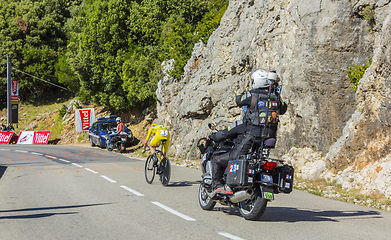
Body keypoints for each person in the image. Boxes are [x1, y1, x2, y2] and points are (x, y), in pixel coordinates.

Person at [211, 69, 287, 195]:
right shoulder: (276, 97)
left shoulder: (253, 95)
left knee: (232, 158)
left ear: (255, 82)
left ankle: (221, 186)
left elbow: (238, 100)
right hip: (269, 138)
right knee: (255, 158)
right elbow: (283, 108)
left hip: (252, 136)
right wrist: (275, 92)